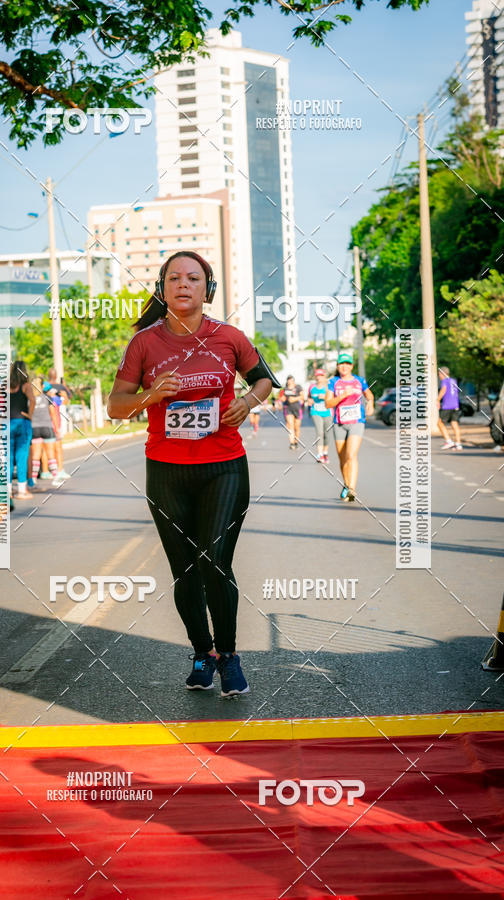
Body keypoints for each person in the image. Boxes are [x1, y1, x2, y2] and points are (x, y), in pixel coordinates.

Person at [107, 251, 277, 697]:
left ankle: (229, 657)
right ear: (162, 289)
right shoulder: (143, 344)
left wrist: (248, 402)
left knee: (215, 564)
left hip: (223, 467)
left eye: (194, 278)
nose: (184, 284)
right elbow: (115, 406)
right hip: (166, 471)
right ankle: (202, 653)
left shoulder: (229, 336)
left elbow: (263, 379)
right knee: (184, 569)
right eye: (174, 278)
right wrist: (149, 395)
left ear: (209, 289)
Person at [325, 351, 374, 502]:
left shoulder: (360, 381)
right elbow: (328, 403)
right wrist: (342, 396)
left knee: (351, 455)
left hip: (357, 421)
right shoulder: (333, 382)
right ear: (338, 366)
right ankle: (346, 484)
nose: (344, 367)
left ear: (352, 366)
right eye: (341, 364)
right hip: (339, 423)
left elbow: (369, 395)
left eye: (347, 364)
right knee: (342, 458)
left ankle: (351, 489)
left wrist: (370, 404)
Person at [29, 378, 64, 488]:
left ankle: (33, 479)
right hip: (47, 427)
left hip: (34, 428)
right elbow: (52, 413)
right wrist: (57, 429)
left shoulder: (30, 399)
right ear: (41, 386)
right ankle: (55, 478)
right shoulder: (47, 398)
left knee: (36, 455)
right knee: (50, 454)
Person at [8, 360, 35, 499]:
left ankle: (7, 491)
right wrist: (29, 415)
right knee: (22, 457)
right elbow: (33, 400)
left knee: (8, 458)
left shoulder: (6, 386)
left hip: (8, 424)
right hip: (22, 423)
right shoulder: (26, 386)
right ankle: (21, 490)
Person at [306, 368, 332, 463]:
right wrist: (309, 400)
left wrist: (325, 397)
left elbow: (334, 398)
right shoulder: (312, 387)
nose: (319, 378)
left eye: (321, 375)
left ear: (324, 377)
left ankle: (325, 453)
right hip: (315, 411)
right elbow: (308, 397)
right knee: (319, 432)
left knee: (327, 434)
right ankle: (320, 454)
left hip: (327, 412)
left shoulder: (329, 387)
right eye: (317, 376)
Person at [437, 366, 462, 451]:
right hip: (455, 405)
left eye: (439, 374)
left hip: (447, 405)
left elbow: (443, 390)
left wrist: (437, 400)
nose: (439, 376)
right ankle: (458, 444)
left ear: (442, 373)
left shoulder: (445, 381)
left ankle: (449, 441)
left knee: (439, 423)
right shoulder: (453, 380)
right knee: (454, 424)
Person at [277, 375, 305, 449]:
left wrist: (294, 399)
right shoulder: (285, 389)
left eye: (291, 380)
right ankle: (292, 443)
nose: (290, 382)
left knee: (297, 427)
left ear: (293, 381)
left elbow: (302, 396)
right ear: (287, 381)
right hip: (288, 408)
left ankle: (296, 441)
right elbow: (281, 398)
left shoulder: (298, 387)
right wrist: (282, 399)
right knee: (290, 425)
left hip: (297, 408)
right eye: (289, 380)